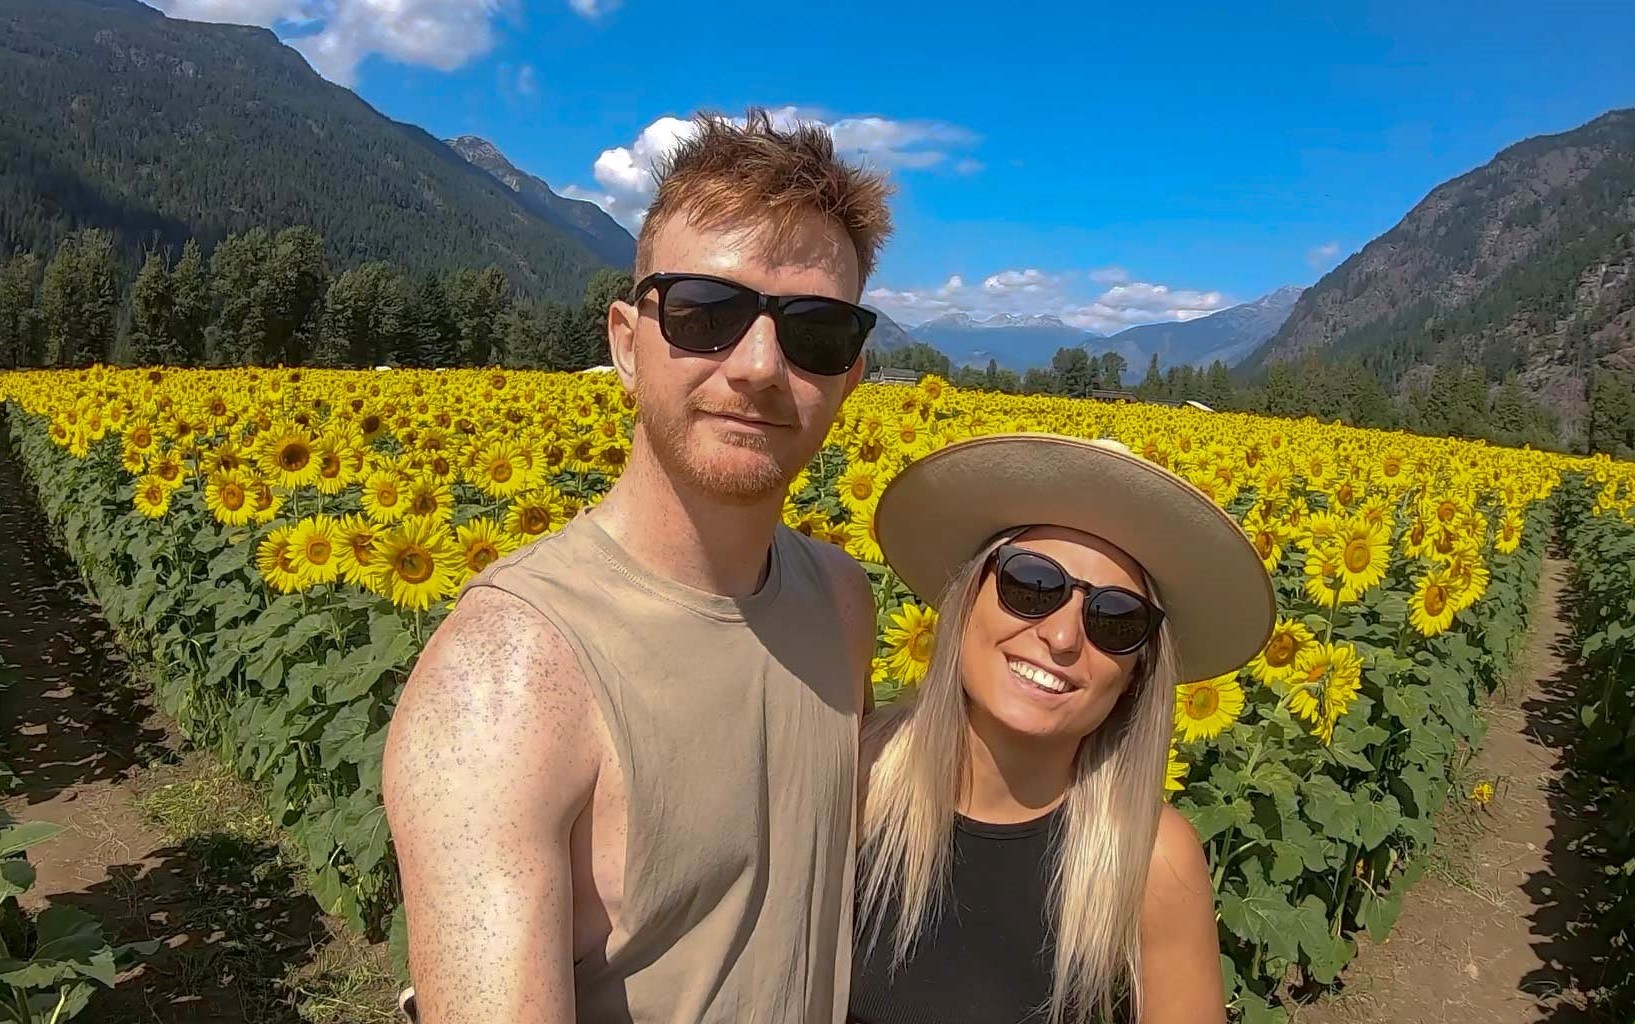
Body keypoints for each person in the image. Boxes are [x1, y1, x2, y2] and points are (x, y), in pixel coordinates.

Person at [383, 108, 894, 1024]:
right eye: (707, 313)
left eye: (815, 331)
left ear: (851, 374)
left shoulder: (841, 600)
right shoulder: (508, 677)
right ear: (626, 343)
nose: (760, 366)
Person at [848, 432, 1276, 1024]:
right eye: (1032, 584)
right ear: (967, 595)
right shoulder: (853, 773)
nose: (1063, 637)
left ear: (1136, 673)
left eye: (1116, 619)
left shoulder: (1148, 858)